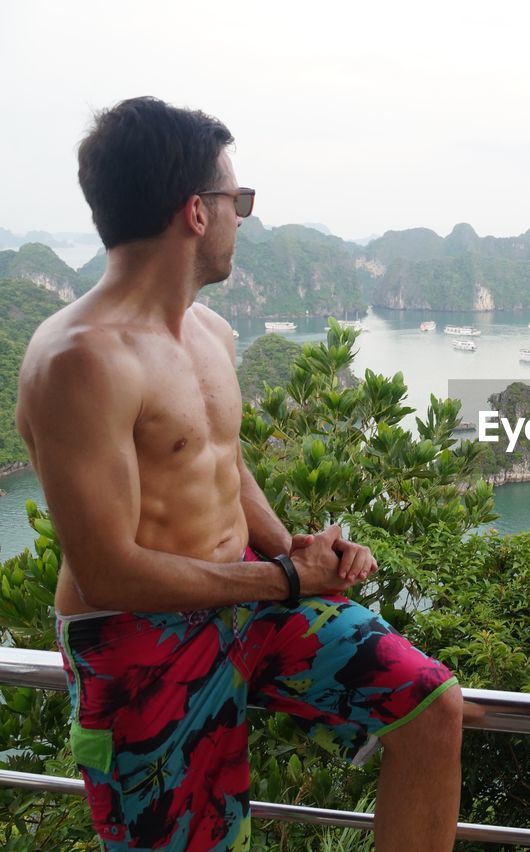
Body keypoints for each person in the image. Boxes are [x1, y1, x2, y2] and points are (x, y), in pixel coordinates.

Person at [15, 96, 463, 851]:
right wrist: (287, 581)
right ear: (197, 211)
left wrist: (296, 548)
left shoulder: (212, 331)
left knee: (429, 706)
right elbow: (106, 572)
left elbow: (221, 459)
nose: (241, 220)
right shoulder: (80, 360)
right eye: (239, 202)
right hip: (138, 641)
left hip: (251, 597)